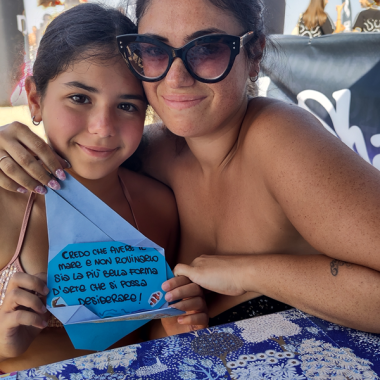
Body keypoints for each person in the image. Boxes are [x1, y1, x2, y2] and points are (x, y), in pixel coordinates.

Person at [1, 0, 380, 340]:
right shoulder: (146, 152)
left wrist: (247, 274)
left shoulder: (278, 139)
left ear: (254, 53)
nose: (177, 76)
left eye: (208, 47)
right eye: (154, 49)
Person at [0, 3, 207, 373]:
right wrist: (4, 345)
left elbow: (149, 336)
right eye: (80, 98)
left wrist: (175, 325)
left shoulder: (159, 207)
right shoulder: (5, 203)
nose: (102, 126)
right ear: (34, 98)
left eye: (127, 105)